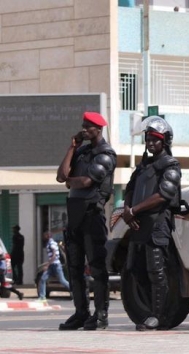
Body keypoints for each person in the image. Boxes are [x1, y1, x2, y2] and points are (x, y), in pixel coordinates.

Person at [56, 112, 116, 330]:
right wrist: (72, 147)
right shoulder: (82, 151)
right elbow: (61, 175)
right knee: (74, 267)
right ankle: (81, 312)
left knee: (97, 268)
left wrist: (70, 182)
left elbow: (87, 181)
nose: (83, 130)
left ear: (98, 129)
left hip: (92, 215)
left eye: (87, 127)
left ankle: (101, 315)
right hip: (75, 216)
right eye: (82, 126)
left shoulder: (105, 154)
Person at [122, 116, 181, 331]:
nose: (150, 143)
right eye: (148, 139)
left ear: (164, 141)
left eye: (155, 139)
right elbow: (130, 189)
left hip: (157, 224)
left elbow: (163, 195)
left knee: (157, 271)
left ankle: (158, 315)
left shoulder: (171, 165)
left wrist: (134, 210)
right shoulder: (143, 166)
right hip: (138, 224)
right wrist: (127, 210)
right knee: (135, 270)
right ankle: (148, 311)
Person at [38, 230, 71, 301]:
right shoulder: (49, 243)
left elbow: (54, 255)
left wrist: (47, 265)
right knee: (43, 279)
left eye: (45, 235)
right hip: (52, 265)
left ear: (48, 236)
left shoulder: (51, 243)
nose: (43, 237)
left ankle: (75, 291)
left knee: (62, 281)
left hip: (55, 265)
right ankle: (42, 297)